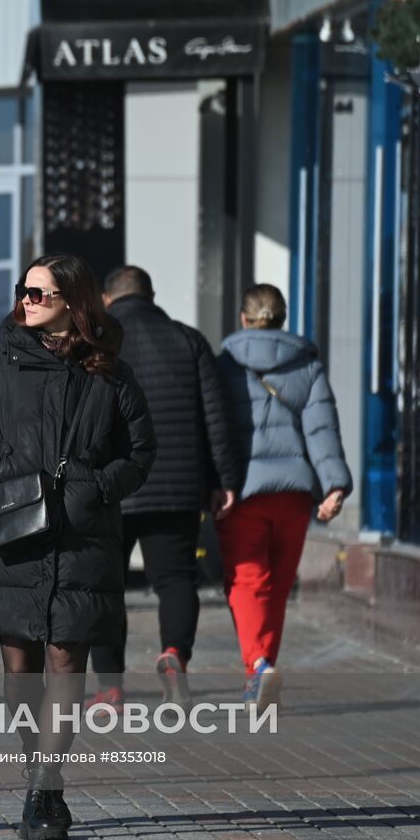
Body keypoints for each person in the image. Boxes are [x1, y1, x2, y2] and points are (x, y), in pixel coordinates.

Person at [0, 253, 155, 840]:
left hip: (80, 536)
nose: (28, 300)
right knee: (19, 666)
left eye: (40, 293)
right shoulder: (0, 365)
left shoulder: (110, 373)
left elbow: (140, 453)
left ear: (73, 300)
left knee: (67, 661)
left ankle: (48, 787)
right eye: (24, 291)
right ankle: (32, 761)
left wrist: (96, 488)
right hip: (15, 536)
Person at [88, 267, 242, 710]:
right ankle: (174, 654)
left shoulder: (99, 343)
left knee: (104, 585)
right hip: (177, 484)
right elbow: (216, 416)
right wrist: (223, 480)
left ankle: (110, 687)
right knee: (175, 579)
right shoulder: (188, 340)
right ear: (151, 296)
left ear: (107, 298)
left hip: (111, 486)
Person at [215, 284, 351, 710]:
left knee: (247, 580)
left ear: (243, 317)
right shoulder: (307, 366)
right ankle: (262, 669)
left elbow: (215, 430)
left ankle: (257, 665)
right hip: (293, 494)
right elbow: (322, 430)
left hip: (244, 493)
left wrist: (214, 482)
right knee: (277, 586)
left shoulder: (225, 365)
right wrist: (334, 485)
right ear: (282, 318)